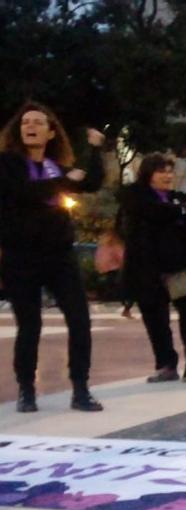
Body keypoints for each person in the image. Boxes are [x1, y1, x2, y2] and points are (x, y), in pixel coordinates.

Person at [0, 102, 106, 413]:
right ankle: (26, 391)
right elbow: (22, 192)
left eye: (38, 122)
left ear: (50, 132)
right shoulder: (7, 163)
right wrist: (64, 180)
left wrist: (96, 149)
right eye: (25, 122)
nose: (30, 126)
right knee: (29, 324)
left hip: (59, 255)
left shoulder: (54, 167)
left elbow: (90, 182)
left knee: (80, 320)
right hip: (21, 255)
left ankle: (81, 389)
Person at [120, 152, 186, 384]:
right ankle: (166, 365)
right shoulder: (135, 195)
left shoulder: (176, 197)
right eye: (161, 171)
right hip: (149, 269)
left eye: (170, 171)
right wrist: (185, 209)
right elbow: (154, 213)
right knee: (156, 319)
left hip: (177, 270)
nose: (167, 176)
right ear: (148, 174)